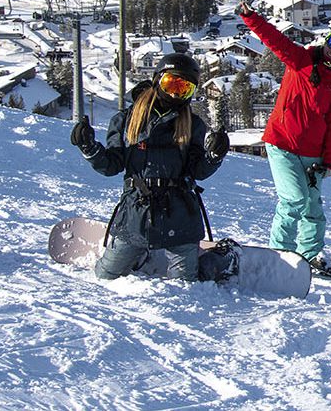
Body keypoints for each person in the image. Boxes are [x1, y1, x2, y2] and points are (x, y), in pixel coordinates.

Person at [70, 52, 228, 281]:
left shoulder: (192, 124)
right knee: (105, 276)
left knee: (185, 284)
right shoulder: (126, 120)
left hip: (180, 213)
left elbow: (198, 171)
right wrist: (89, 147)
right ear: (157, 80)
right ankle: (141, 254)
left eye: (184, 89)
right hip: (136, 214)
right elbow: (111, 165)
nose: (175, 93)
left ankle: (221, 259)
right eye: (171, 83)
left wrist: (214, 156)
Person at [237, 0, 331, 275]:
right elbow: (276, 42)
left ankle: (308, 258)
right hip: (282, 144)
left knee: (313, 209)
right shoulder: (302, 60)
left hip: (313, 154)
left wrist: (330, 162)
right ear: (326, 39)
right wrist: (251, 17)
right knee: (294, 198)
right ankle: (278, 254)